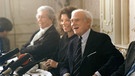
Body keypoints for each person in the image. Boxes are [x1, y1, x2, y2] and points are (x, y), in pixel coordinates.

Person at [60, 9, 124, 76]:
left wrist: (98, 74)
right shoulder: (72, 43)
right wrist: (65, 73)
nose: (73, 24)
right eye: (72, 21)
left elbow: (117, 58)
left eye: (77, 20)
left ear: (88, 22)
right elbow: (65, 64)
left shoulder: (101, 39)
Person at [44, 6, 77, 76]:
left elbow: (72, 64)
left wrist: (56, 64)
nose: (63, 23)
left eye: (67, 20)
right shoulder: (63, 38)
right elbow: (56, 55)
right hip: (57, 71)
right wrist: (50, 61)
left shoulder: (78, 40)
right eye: (62, 20)